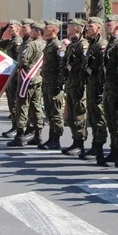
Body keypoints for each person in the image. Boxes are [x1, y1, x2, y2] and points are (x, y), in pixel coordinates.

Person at [9, 21, 46, 146]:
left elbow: (24, 60)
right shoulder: (45, 44)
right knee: (36, 106)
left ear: (38, 32)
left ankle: (19, 136)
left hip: (27, 78)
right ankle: (38, 135)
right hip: (38, 78)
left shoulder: (32, 44)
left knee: (22, 105)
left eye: (34, 30)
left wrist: (20, 64)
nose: (32, 32)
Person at [99, 15, 118, 167]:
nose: (106, 26)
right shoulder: (111, 44)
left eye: (109, 24)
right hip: (108, 88)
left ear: (117, 27)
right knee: (110, 120)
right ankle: (113, 150)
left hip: (116, 89)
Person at [61, 18, 89, 156]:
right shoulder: (73, 44)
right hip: (71, 84)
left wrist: (81, 82)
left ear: (77, 28)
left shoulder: (83, 45)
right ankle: (75, 140)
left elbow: (84, 65)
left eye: (70, 26)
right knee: (71, 116)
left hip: (78, 84)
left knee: (79, 115)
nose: (67, 28)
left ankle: (80, 143)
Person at [38, 19, 66, 150]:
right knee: (49, 112)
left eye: (47, 27)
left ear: (54, 30)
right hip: (47, 83)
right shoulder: (48, 44)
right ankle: (51, 137)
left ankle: (56, 139)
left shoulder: (57, 45)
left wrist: (59, 83)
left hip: (54, 83)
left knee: (56, 112)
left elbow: (62, 65)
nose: (44, 29)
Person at [83, 16, 108, 162]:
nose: (87, 28)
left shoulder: (101, 45)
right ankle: (94, 144)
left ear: (98, 28)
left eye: (90, 26)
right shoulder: (92, 44)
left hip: (98, 87)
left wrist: (101, 88)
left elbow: (103, 69)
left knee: (99, 118)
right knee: (92, 116)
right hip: (91, 85)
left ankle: (99, 145)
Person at [0, 20, 23, 137]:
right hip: (10, 76)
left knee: (15, 103)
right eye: (9, 28)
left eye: (12, 28)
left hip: (15, 76)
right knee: (11, 103)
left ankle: (17, 127)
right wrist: (1, 31)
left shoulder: (18, 42)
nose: (10, 30)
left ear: (17, 29)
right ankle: (14, 126)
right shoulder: (10, 41)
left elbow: (19, 60)